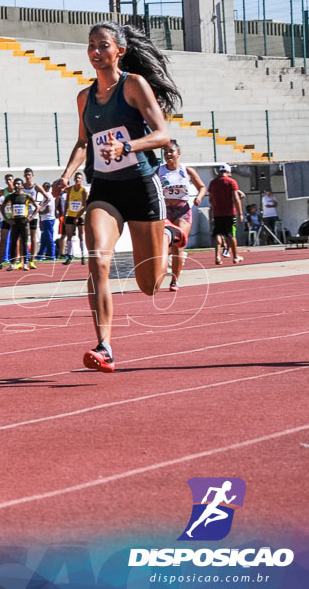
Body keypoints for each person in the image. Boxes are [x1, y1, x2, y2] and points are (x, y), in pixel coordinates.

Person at [53, 21, 181, 373]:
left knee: (151, 285)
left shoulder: (134, 85)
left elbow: (162, 135)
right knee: (97, 260)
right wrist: (66, 175)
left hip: (141, 186)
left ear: (119, 50)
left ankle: (167, 234)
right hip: (105, 189)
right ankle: (104, 345)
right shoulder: (84, 97)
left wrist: (128, 145)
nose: (95, 51)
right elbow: (83, 142)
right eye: (91, 45)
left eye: (103, 45)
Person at [158, 140, 205, 291]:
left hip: (182, 211)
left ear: (178, 154)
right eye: (165, 152)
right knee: (164, 246)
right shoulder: (158, 171)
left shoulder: (186, 171)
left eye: (171, 152)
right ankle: (159, 276)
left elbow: (202, 187)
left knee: (179, 244)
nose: (168, 155)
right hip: (165, 211)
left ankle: (174, 280)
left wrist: (199, 197)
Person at [208, 164, 244, 265]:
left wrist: (213, 209)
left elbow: (210, 198)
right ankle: (235, 256)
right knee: (231, 234)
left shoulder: (213, 183)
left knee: (218, 233)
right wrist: (240, 213)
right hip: (229, 212)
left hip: (217, 213)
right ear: (228, 172)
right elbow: (236, 198)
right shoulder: (231, 182)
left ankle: (217, 256)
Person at [0, 178, 36, 270]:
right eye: (15, 184)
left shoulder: (26, 196)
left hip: (24, 221)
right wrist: (6, 219)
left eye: (19, 184)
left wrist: (31, 217)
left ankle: (25, 263)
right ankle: (12, 263)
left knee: (24, 242)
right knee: (13, 242)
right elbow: (2, 207)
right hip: (14, 222)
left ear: (22, 186)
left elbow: (37, 207)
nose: (16, 186)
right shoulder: (10, 197)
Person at [21, 168, 50, 269]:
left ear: (32, 175)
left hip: (33, 215)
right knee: (23, 237)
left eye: (29, 175)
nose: (28, 177)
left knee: (33, 237)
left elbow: (48, 198)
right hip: (23, 215)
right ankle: (23, 260)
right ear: (24, 176)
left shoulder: (36, 187)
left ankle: (32, 261)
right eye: (26, 175)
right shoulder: (22, 187)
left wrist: (40, 206)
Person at [60, 172, 88, 265]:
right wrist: (64, 215)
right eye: (76, 178)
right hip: (70, 215)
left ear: (82, 180)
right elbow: (67, 202)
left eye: (79, 178)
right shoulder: (70, 189)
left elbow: (84, 205)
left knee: (81, 235)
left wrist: (77, 217)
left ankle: (83, 256)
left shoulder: (84, 191)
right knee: (69, 235)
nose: (77, 179)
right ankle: (70, 256)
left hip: (79, 216)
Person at [0, 173, 16, 267]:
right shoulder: (4, 191)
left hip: (15, 218)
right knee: (3, 239)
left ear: (13, 180)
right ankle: (0, 261)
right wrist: (1, 205)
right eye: (7, 180)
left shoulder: (16, 191)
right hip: (6, 218)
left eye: (10, 179)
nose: (9, 181)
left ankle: (15, 260)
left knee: (16, 240)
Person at [36, 182, 58, 261]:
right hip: (45, 219)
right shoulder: (45, 197)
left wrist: (40, 213)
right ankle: (41, 254)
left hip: (48, 219)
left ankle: (51, 254)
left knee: (48, 237)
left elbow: (48, 209)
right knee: (44, 238)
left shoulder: (48, 197)